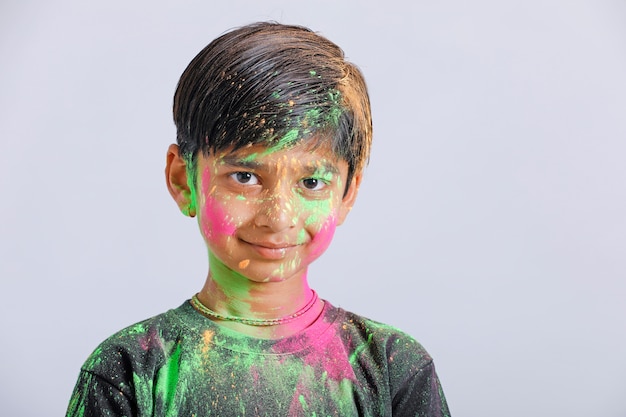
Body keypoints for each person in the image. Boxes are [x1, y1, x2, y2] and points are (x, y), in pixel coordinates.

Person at [66, 22, 451, 416]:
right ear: (184, 181)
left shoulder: (392, 367)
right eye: (245, 177)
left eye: (312, 181)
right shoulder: (129, 370)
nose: (278, 216)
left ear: (347, 193)